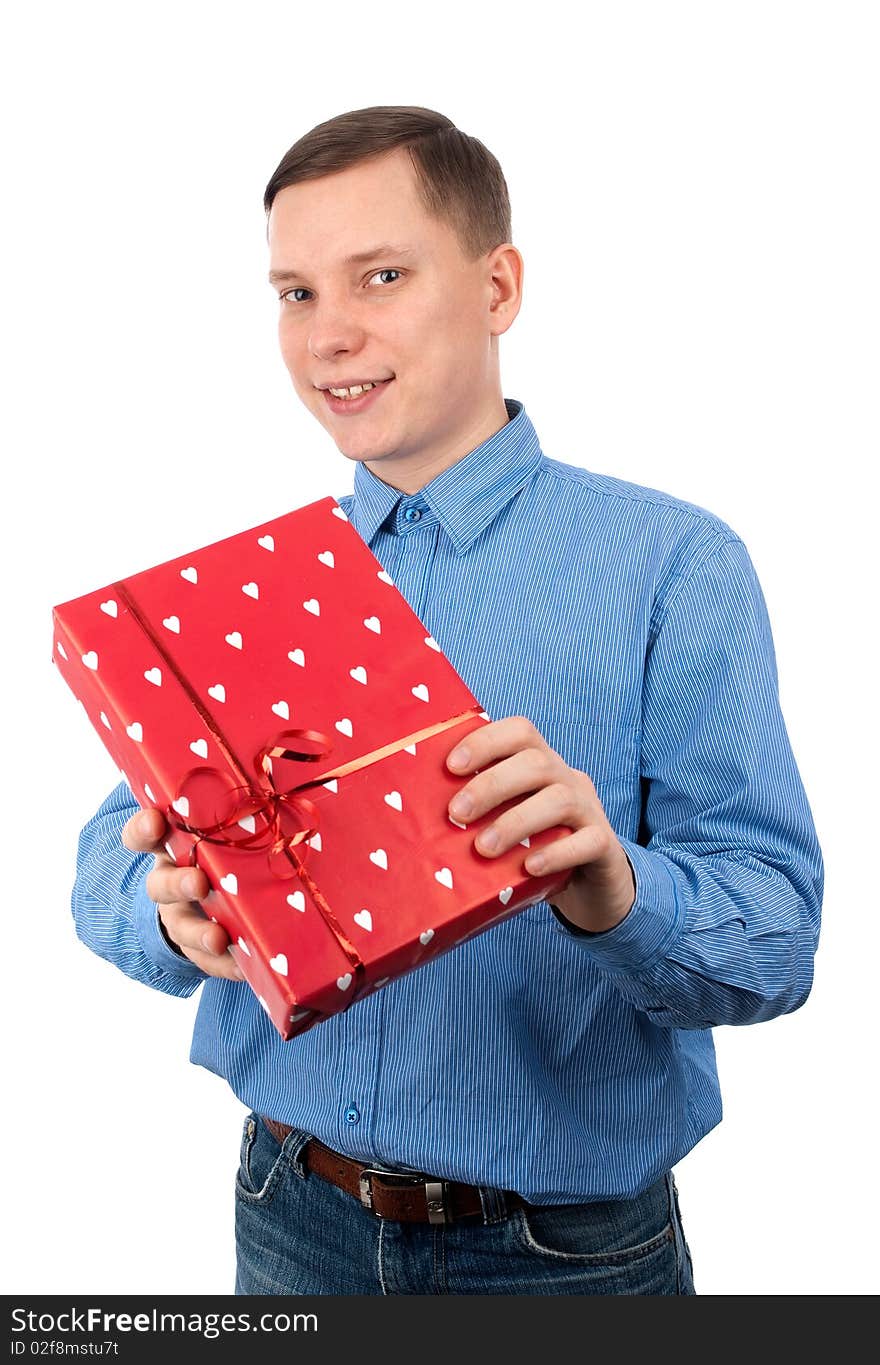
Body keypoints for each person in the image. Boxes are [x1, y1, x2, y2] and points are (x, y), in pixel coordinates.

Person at [71, 105, 824, 1296]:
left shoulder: (673, 564)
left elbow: (777, 939)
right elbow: (105, 860)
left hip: (564, 1259)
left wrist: (613, 886)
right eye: (295, 293)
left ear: (496, 285)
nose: (331, 335)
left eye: (380, 274)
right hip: (288, 1214)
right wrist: (169, 912)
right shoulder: (257, 591)